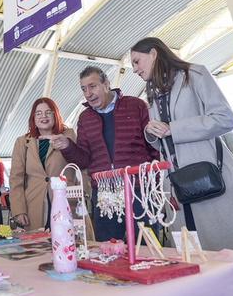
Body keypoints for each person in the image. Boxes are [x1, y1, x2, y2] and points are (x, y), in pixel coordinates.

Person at [130, 38, 233, 284]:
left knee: (224, 258)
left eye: (137, 61)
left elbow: (224, 119)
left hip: (208, 174)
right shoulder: (154, 91)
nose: (135, 69)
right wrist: (151, 132)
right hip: (177, 183)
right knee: (195, 261)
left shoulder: (195, 74)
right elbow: (162, 138)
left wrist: (172, 128)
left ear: (154, 54)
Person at [51, 66, 158, 241]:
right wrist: (67, 146)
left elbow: (154, 149)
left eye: (92, 86)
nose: (88, 94)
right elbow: (84, 160)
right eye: (84, 89)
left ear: (106, 85)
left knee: (146, 245)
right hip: (104, 192)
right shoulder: (85, 118)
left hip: (138, 189)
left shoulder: (136, 106)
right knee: (108, 249)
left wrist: (156, 189)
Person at [9, 98, 78, 231]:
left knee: (69, 245)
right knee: (37, 248)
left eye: (48, 112)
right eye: (38, 113)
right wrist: (18, 210)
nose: (43, 116)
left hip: (66, 202)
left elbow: (82, 164)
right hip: (34, 205)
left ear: (55, 115)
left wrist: (85, 194)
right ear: (33, 118)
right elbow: (16, 178)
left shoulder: (69, 135)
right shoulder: (22, 142)